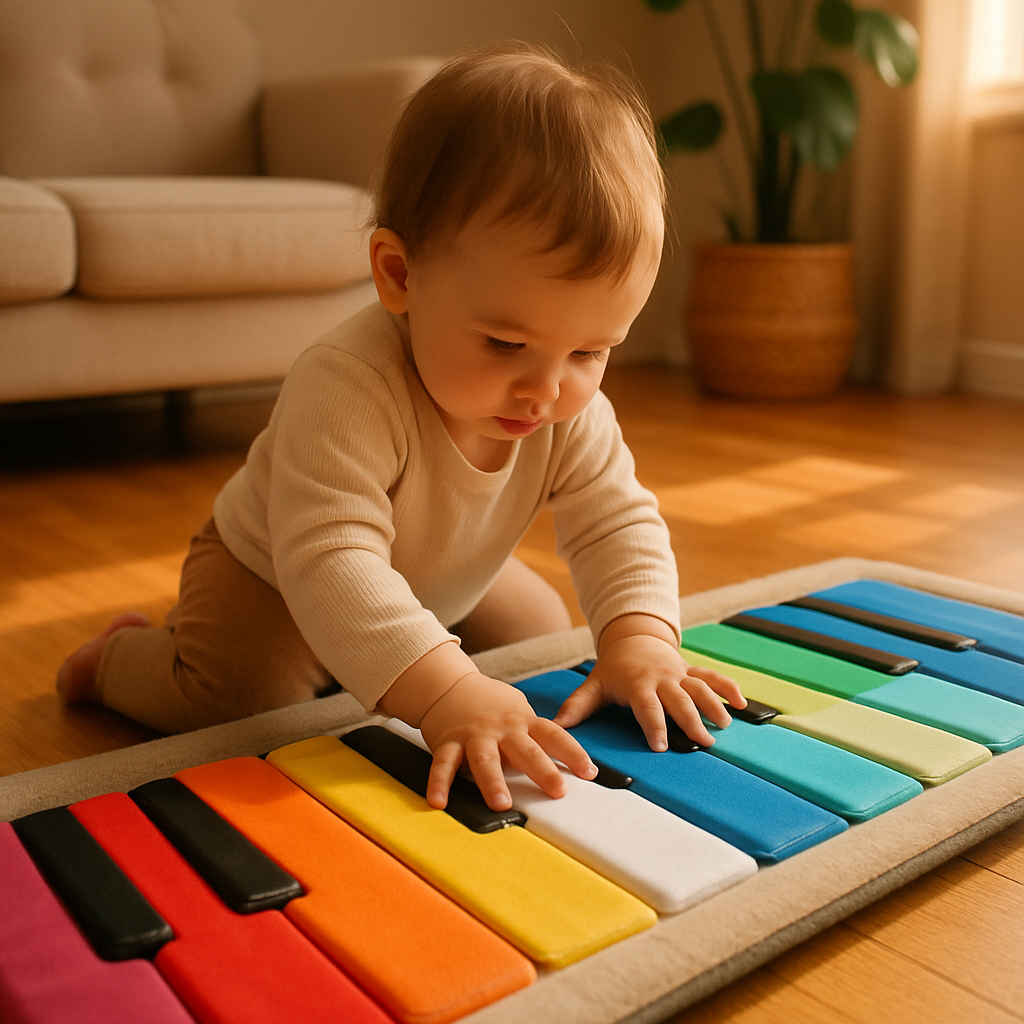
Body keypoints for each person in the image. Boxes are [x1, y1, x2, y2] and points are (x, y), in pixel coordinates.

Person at [57, 41, 744, 811]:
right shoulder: (346, 382)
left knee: (537, 638)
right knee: (251, 702)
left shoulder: (564, 405)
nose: (547, 387)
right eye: (506, 344)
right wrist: (444, 690)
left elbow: (617, 520)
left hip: (433, 575)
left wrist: (640, 641)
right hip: (275, 575)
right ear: (399, 276)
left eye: (591, 350)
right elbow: (334, 561)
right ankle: (118, 659)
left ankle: (412, 649)